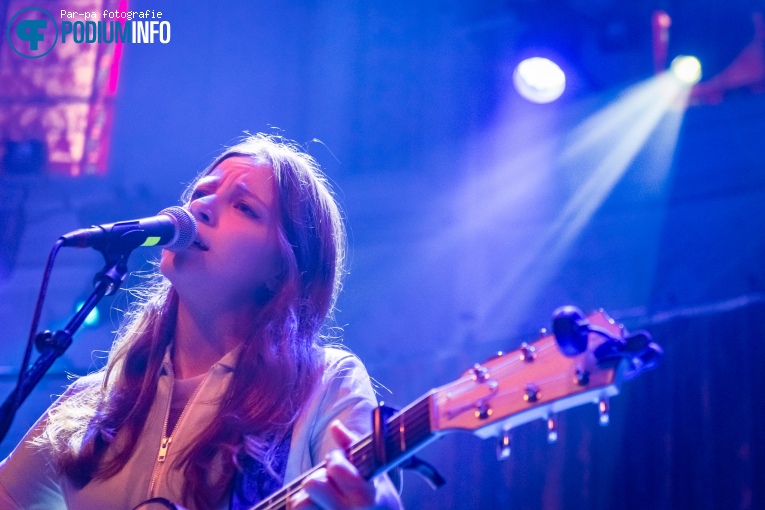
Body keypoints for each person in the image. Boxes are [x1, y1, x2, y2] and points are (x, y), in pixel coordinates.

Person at [0, 134, 403, 510]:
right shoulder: (93, 402)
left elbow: (372, 487)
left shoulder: (323, 382)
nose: (200, 207)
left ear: (281, 270)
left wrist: (376, 501)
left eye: (243, 207)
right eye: (202, 193)